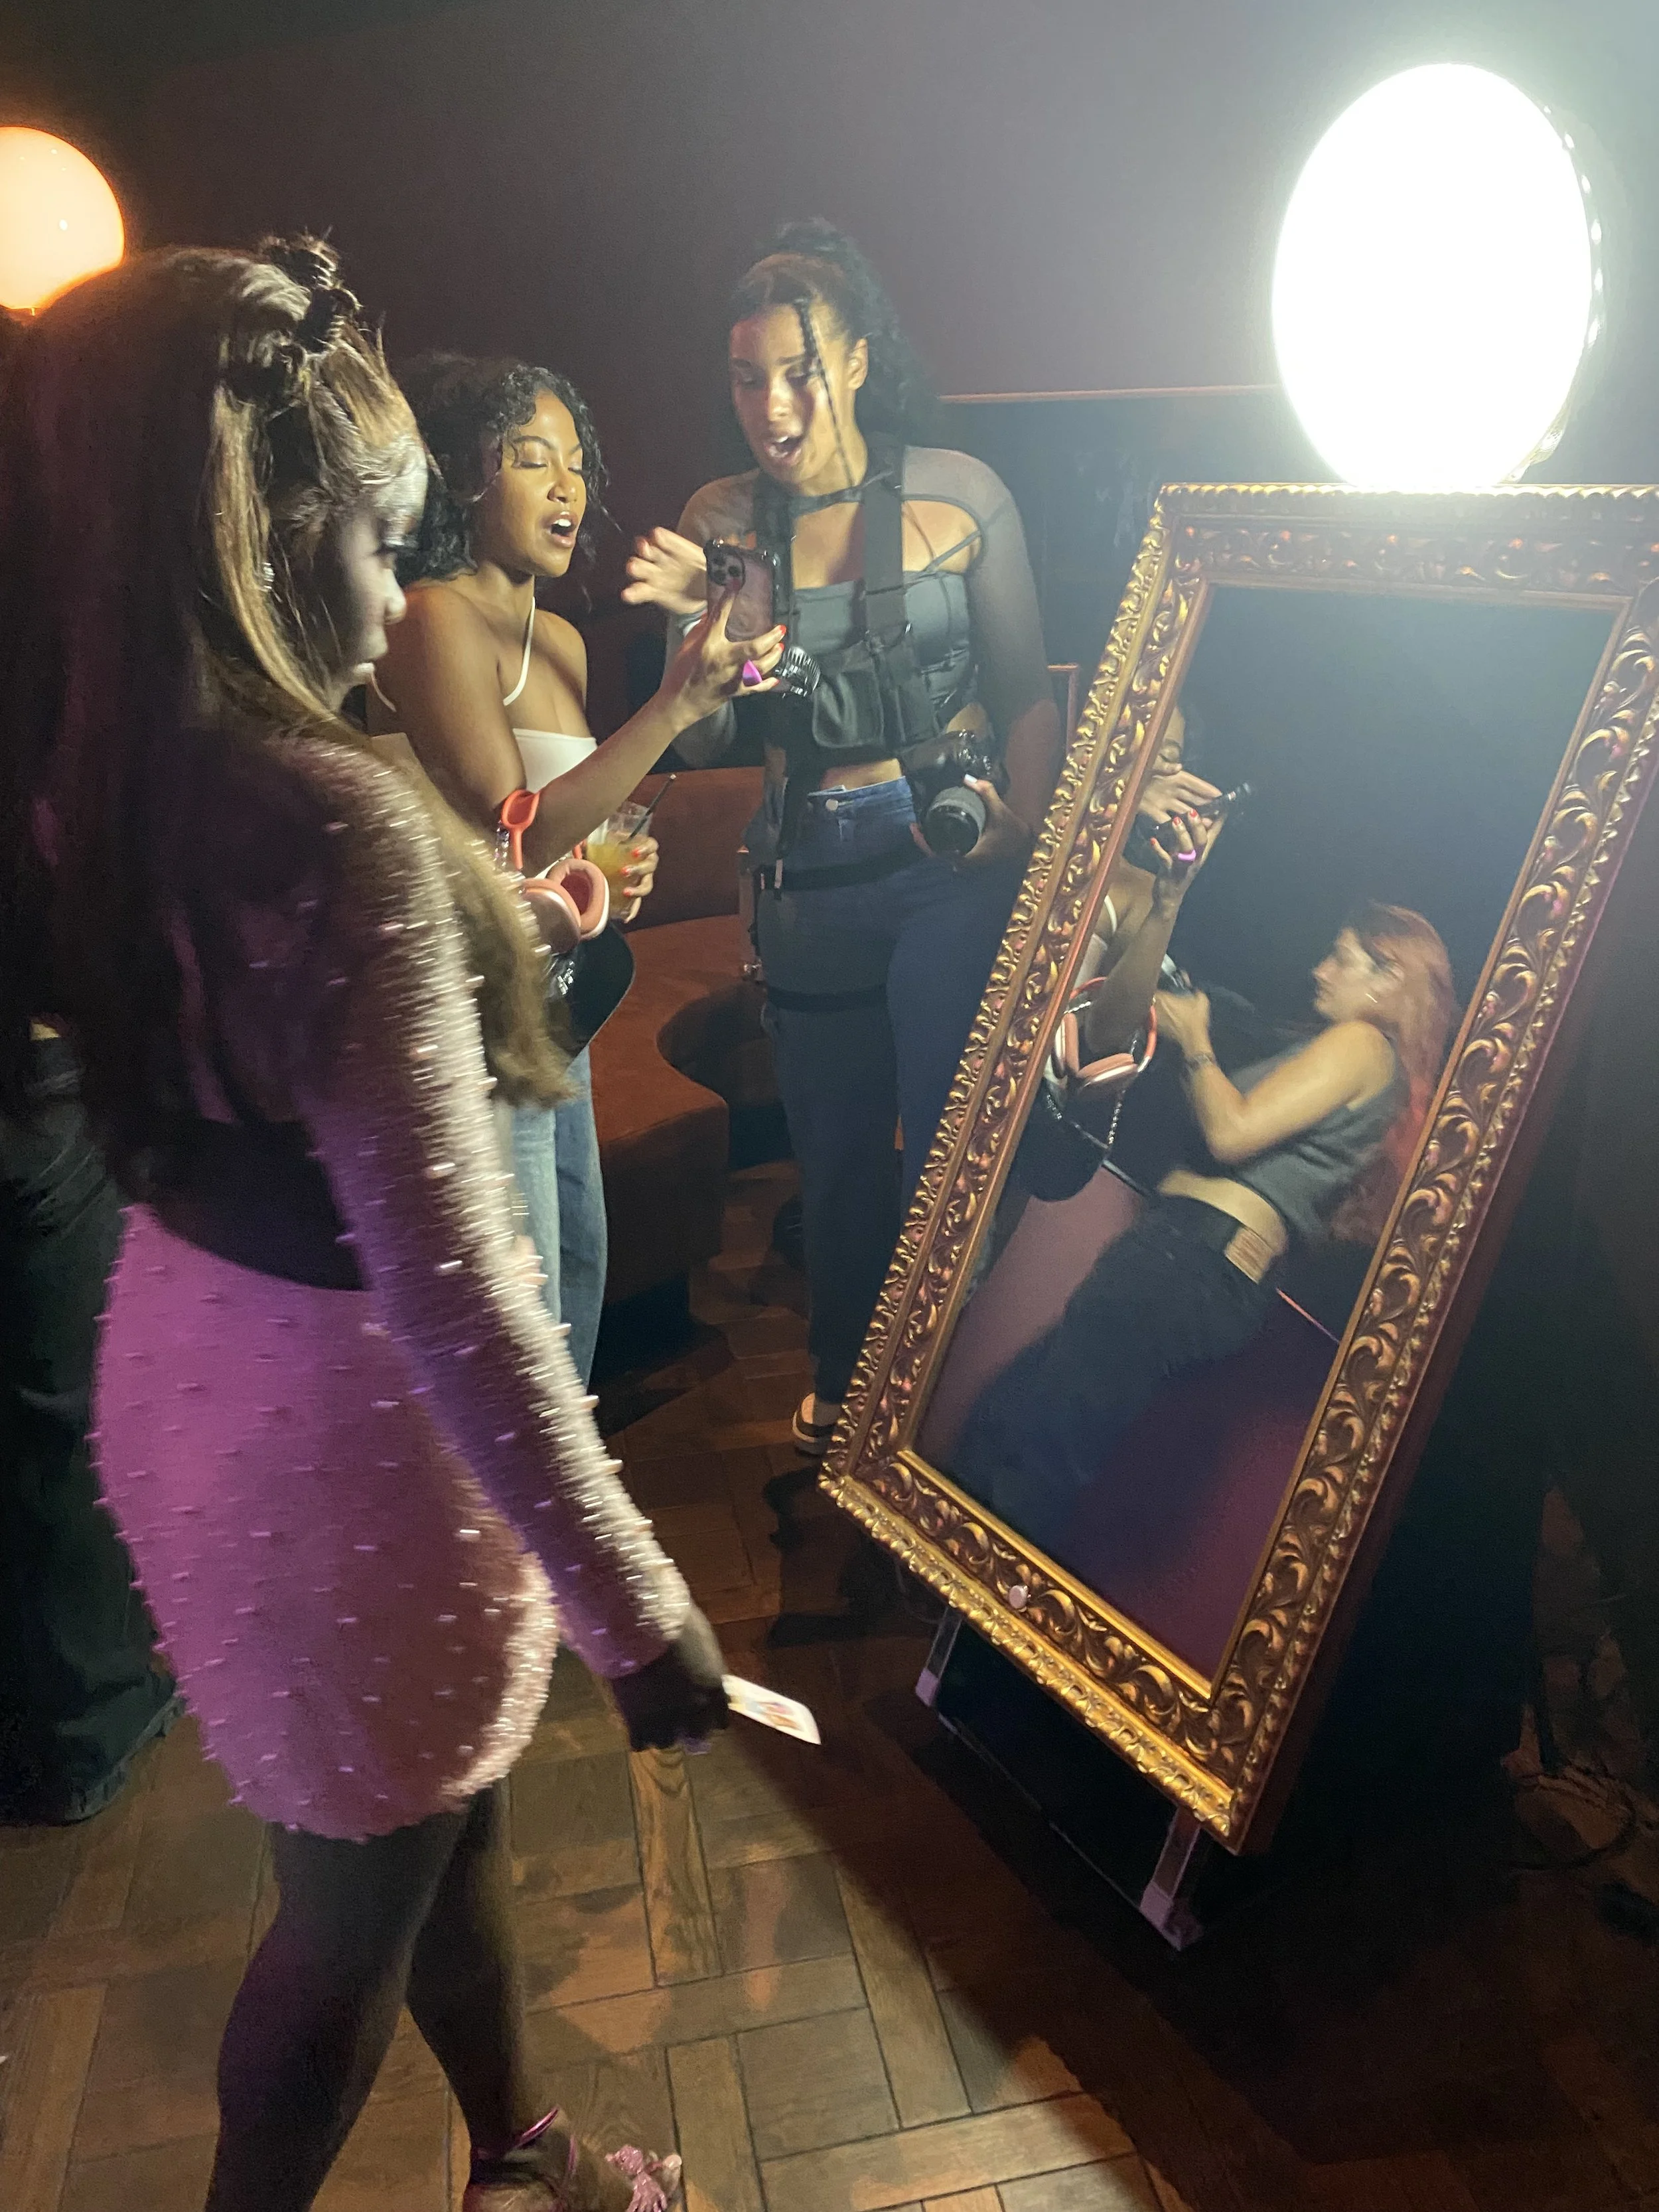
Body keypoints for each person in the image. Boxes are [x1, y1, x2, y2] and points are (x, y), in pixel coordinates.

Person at [0, 238, 774, 2212]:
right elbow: (460, 1304)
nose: (392, 585)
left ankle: (514, 2155)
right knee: (345, 1925)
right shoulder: (327, 807)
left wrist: (493, 927)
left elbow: (268, 1038)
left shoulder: (109, 766)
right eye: (371, 533)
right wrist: (637, 1610)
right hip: (348, 1435)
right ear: (258, 534)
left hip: (186, 1365)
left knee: (427, 1823)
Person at [625, 219, 1062, 1457]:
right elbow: (706, 740)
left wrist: (1027, 841)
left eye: (801, 369)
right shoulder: (723, 520)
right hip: (809, 863)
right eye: (749, 377)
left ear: (860, 361)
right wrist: (707, 639)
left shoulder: (961, 491)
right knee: (837, 1162)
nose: (775, 402)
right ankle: (853, 1399)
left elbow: (1030, 689)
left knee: (949, 1148)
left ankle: (963, 1407)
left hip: (947, 859)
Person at [367, 354, 771, 1382]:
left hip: (556, 1002)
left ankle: (547, 1529)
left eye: (578, 465)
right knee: (514, 1313)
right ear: (462, 474)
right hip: (464, 1012)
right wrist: (673, 707)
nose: (567, 487)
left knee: (574, 1281)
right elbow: (515, 827)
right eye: (532, 460)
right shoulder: (428, 614)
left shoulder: (563, 641)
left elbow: (568, 834)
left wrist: (606, 873)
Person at [954, 853, 1456, 1554]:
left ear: (1391, 976)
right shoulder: (1383, 1076)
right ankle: (970, 1612)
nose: (1320, 970)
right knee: (1019, 1427)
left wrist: (1194, 1041)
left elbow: (1231, 1131)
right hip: (1206, 1268)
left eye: (1342, 959)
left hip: (1188, 1255)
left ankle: (976, 1631)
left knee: (1033, 1452)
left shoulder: (1364, 1043)